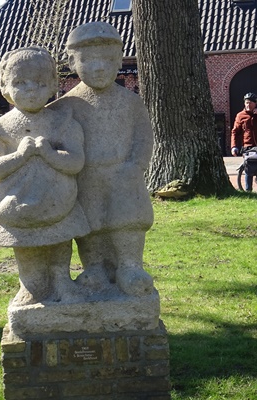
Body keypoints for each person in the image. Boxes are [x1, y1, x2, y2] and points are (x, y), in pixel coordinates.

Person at [0, 47, 90, 305]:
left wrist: (49, 153)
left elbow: (75, 162)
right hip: (17, 203)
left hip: (59, 201)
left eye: (40, 83)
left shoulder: (63, 123)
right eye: (20, 83)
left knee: (60, 240)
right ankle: (31, 284)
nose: (31, 90)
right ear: (4, 86)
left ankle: (62, 281)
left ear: (53, 85)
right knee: (26, 246)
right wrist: (20, 155)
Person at [49, 22, 155, 297]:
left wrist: (136, 165)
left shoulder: (131, 102)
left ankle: (130, 265)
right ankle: (94, 268)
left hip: (124, 175)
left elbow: (144, 137)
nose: (99, 67)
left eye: (107, 59)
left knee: (128, 220)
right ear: (72, 62)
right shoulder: (65, 107)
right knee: (89, 223)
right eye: (88, 60)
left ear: (119, 60)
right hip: (85, 176)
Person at [231, 92, 257, 193]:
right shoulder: (240, 115)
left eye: (250, 103)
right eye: (246, 103)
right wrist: (233, 146)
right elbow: (235, 132)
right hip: (248, 147)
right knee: (248, 169)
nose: (248, 105)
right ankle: (248, 191)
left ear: (255, 103)